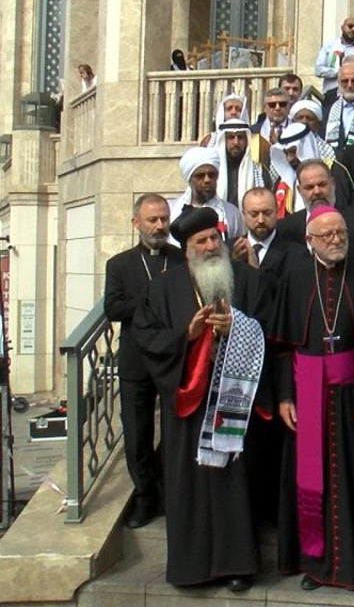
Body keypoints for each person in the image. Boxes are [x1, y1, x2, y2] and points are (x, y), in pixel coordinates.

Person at [131, 206, 274, 590]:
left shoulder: (248, 281)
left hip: (234, 401)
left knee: (233, 483)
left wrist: (239, 327)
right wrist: (187, 336)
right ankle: (191, 568)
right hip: (188, 407)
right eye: (201, 241)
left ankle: (238, 567)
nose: (211, 246)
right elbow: (145, 339)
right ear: (188, 248)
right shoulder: (161, 289)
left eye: (215, 237)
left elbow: (272, 330)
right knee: (189, 485)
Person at [270, 205, 354, 590]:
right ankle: (316, 566)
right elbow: (284, 344)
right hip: (306, 394)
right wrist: (284, 395)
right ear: (309, 241)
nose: (336, 240)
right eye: (327, 235)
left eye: (341, 233)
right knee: (310, 481)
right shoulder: (296, 275)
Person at [104, 194, 185, 529]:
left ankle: (167, 492)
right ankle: (144, 496)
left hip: (171, 359)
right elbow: (114, 308)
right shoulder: (120, 264)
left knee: (173, 432)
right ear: (136, 222)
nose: (160, 226)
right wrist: (153, 298)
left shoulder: (180, 259)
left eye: (164, 219)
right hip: (136, 361)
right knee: (137, 434)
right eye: (152, 220)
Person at [275, 159, 354, 259]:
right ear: (299, 191)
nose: (317, 191)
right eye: (309, 187)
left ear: (333, 184)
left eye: (322, 184)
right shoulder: (285, 229)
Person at [170, 146, 246, 241]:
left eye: (211, 175)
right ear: (189, 179)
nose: (207, 180)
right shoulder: (171, 210)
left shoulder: (231, 214)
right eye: (200, 176)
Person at [208, 119, 267, 208]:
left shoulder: (258, 169)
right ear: (224, 140)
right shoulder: (212, 170)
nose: (236, 142)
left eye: (240, 137)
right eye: (231, 137)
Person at [314, 18, 354, 94]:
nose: (353, 29)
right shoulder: (329, 47)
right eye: (350, 26)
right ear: (342, 28)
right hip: (332, 93)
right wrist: (340, 72)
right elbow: (318, 70)